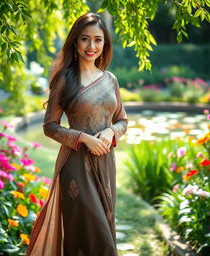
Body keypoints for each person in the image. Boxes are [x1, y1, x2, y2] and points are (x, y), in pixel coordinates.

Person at [26, 12, 128, 256]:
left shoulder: (110, 79)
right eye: (85, 39)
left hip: (105, 162)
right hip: (76, 166)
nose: (91, 46)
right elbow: (49, 126)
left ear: (105, 44)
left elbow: (122, 120)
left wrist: (110, 131)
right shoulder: (65, 79)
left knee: (104, 227)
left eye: (98, 40)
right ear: (75, 42)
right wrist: (83, 138)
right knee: (94, 237)